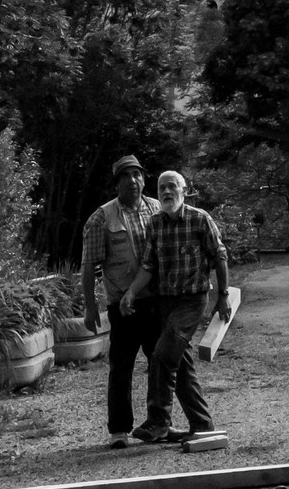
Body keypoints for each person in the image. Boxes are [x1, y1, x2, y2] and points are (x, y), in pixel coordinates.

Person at [120, 170, 231, 444]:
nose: (167, 192)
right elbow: (149, 266)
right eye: (162, 188)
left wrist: (224, 295)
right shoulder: (155, 224)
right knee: (179, 364)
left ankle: (158, 422)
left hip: (192, 301)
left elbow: (220, 255)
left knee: (162, 355)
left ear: (184, 191)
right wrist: (131, 293)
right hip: (166, 302)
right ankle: (202, 424)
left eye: (172, 187)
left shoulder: (199, 218)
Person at [81, 154, 160, 448]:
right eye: (126, 176)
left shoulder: (157, 209)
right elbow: (89, 266)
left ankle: (158, 422)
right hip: (121, 305)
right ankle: (118, 430)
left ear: (143, 179)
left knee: (159, 363)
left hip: (155, 300)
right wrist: (91, 307)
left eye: (137, 175)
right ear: (117, 184)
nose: (133, 181)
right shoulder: (101, 218)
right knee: (122, 366)